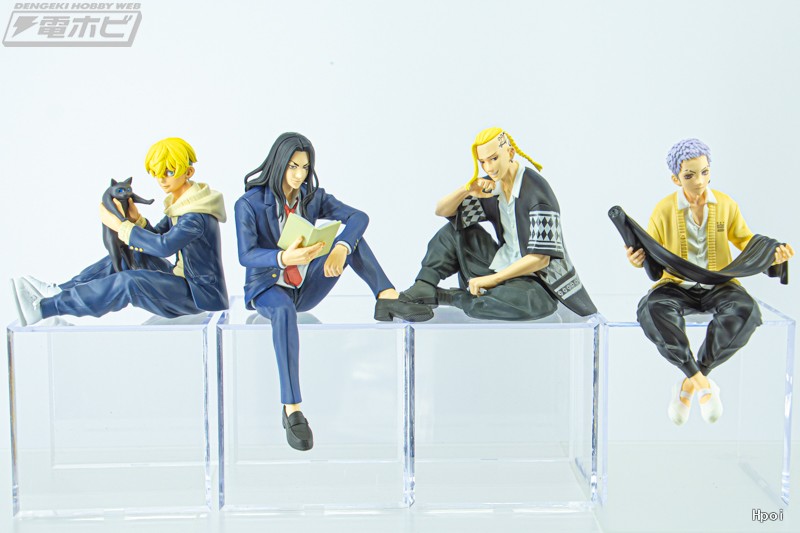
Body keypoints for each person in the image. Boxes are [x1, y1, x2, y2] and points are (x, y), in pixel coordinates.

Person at [234, 132, 432, 452]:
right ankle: (292, 409)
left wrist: (341, 247)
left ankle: (386, 297)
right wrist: (284, 258)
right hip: (269, 286)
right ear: (279, 164)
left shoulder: (312, 198)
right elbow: (246, 255)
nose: (299, 175)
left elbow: (359, 217)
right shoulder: (249, 204)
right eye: (293, 166)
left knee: (350, 237)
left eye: (305, 167)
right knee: (283, 312)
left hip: (306, 286)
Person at [626, 138, 793, 425]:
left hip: (720, 284)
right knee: (652, 309)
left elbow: (745, 240)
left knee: (746, 311)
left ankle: (691, 382)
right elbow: (651, 251)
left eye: (704, 172)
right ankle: (703, 385)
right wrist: (636, 258)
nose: (699, 181)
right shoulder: (663, 210)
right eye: (690, 175)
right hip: (675, 285)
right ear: (676, 178)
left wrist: (772, 255)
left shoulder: (725, 205)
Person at [12, 137, 228, 325]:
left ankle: (45, 308)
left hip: (197, 294)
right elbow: (158, 237)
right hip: (181, 279)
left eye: (169, 172)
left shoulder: (195, 215)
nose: (162, 179)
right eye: (157, 173)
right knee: (129, 254)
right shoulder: (181, 204)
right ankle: (61, 290)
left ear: (188, 172)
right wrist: (137, 220)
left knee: (129, 282)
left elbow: (164, 247)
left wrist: (120, 226)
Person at [400, 126, 596, 320]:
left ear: (510, 153)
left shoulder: (537, 192)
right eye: (483, 162)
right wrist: (467, 189)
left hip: (538, 281)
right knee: (454, 231)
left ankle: (454, 297)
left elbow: (540, 259)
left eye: (494, 159)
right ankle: (424, 285)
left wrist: (492, 280)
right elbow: (442, 211)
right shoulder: (492, 187)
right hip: (500, 264)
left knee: (526, 302)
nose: (489, 168)